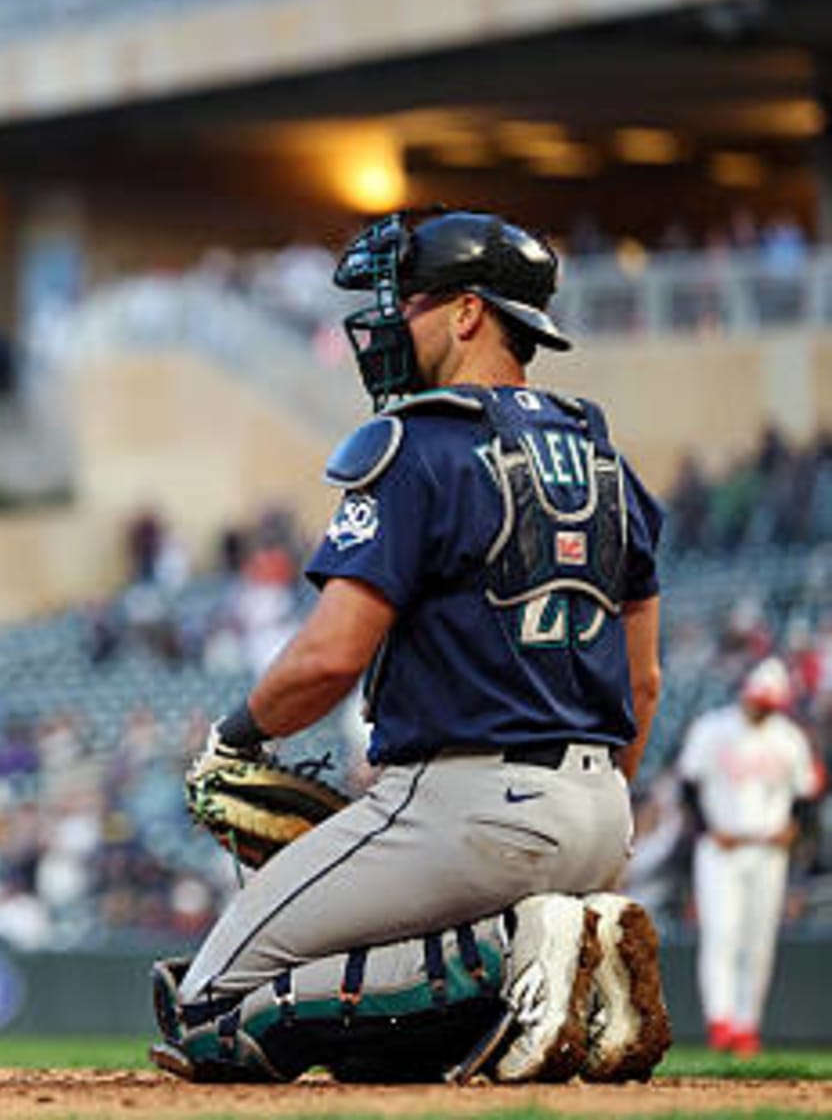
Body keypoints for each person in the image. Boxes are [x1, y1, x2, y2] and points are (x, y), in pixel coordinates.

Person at [150, 210, 673, 1085]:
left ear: (469, 312)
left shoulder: (418, 444)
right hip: (600, 816)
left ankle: (515, 952)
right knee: (375, 1050)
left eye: (412, 302)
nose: (392, 321)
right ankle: (561, 964)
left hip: (466, 806)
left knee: (206, 1011)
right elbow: (644, 684)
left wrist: (234, 737)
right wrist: (588, 828)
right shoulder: (609, 463)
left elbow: (329, 657)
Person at [676, 658, 823, 1056]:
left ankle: (746, 1024)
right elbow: (688, 785)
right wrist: (707, 828)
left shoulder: (789, 738)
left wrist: (794, 827)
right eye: (759, 702)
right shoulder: (713, 728)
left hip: (768, 848)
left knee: (758, 939)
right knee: (721, 933)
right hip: (720, 847)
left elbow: (807, 793)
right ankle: (720, 1020)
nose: (762, 709)